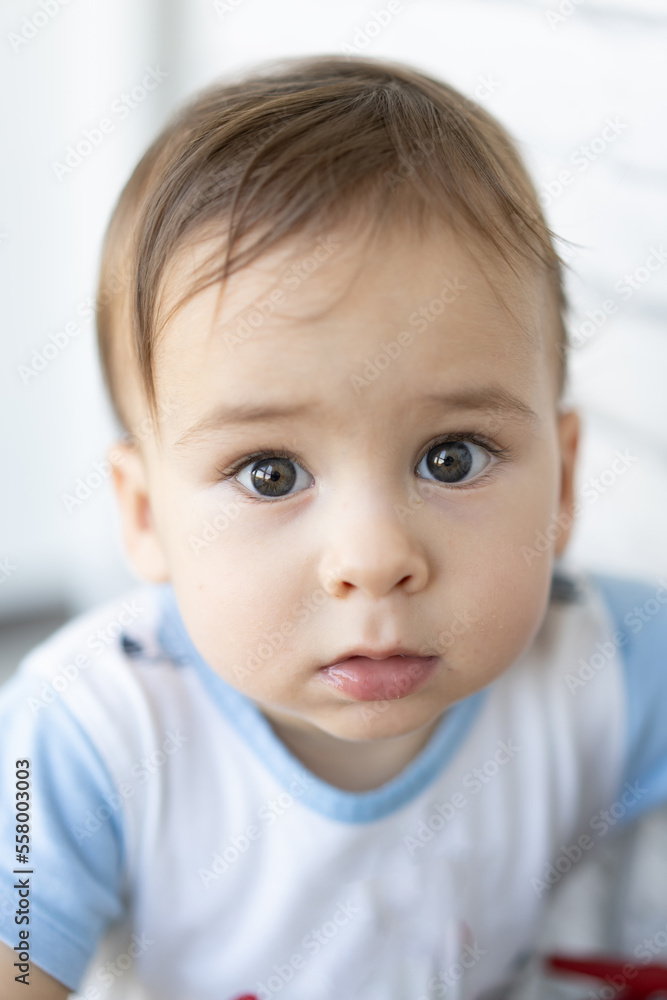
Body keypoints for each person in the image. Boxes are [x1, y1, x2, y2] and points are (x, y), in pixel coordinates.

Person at [1, 53, 666, 1000]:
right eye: (270, 474)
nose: (373, 559)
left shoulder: (602, 663)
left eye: (451, 458)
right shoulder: (80, 736)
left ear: (561, 487)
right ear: (145, 516)